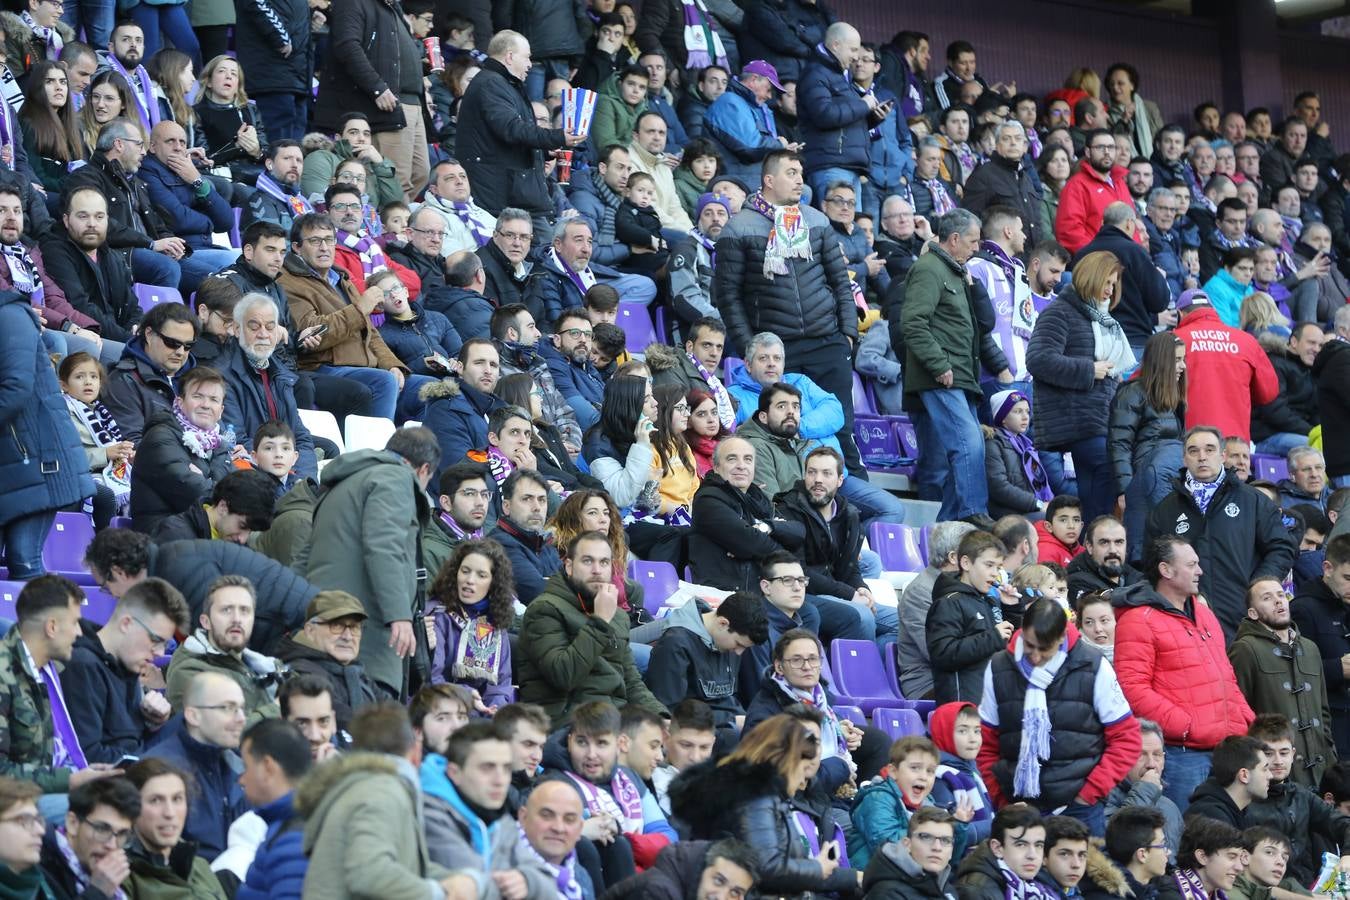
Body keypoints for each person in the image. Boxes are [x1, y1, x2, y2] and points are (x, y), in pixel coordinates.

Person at [715, 149, 857, 435]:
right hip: (778, 350)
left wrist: (848, 334)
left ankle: (851, 479)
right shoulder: (738, 227)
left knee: (842, 431)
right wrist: (751, 347)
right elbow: (727, 296)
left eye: (801, 174)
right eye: (791, 173)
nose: (800, 182)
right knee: (783, 433)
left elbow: (841, 281)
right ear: (769, 180)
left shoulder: (817, 220)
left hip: (828, 344)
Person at [1113, 536, 1255, 813]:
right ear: (1166, 571)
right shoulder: (1137, 620)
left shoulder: (1204, 613)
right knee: (1189, 838)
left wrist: (1246, 719)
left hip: (1227, 749)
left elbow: (1226, 676)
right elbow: (1132, 688)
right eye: (1191, 565)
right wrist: (1188, 726)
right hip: (1183, 755)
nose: (1200, 571)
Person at [977, 596, 1140, 835]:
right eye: (1029, 645)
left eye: (1044, 649)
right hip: (1018, 808)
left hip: (1080, 809)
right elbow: (985, 742)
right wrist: (1000, 799)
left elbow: (1127, 738)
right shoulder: (999, 667)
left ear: (1062, 637)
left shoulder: (1093, 666)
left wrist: (1089, 793)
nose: (1034, 656)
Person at [298, 427, 437, 698]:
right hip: (368, 643)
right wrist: (399, 615)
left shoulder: (344, 482)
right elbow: (385, 545)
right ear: (423, 470)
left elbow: (305, 554)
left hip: (322, 629)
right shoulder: (396, 477)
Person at [672, 713, 864, 896]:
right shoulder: (754, 796)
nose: (803, 781)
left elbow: (791, 866)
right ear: (785, 761)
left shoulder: (770, 794)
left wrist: (851, 877)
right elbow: (768, 868)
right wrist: (818, 868)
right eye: (802, 768)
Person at [296, 702, 468, 899]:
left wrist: (463, 880)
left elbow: (410, 867)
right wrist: (437, 893)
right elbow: (368, 873)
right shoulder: (380, 791)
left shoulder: (367, 785)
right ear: (415, 752)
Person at [1145, 426, 1296, 640]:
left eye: (1209, 449)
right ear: (1184, 458)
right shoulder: (1164, 511)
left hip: (1246, 618)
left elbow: (1282, 548)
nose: (1202, 457)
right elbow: (1151, 566)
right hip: (1187, 621)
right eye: (1193, 451)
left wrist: (1257, 587)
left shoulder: (1252, 500)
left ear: (1223, 456)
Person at [515, 530, 668, 726]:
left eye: (604, 562)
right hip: (569, 723)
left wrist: (660, 717)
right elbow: (563, 675)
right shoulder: (544, 610)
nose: (597, 570)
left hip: (614, 718)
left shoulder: (616, 614)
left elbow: (631, 680)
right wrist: (600, 621)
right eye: (588, 561)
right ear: (569, 566)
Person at [1027, 250, 1132, 522]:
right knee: (1107, 476)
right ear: (1091, 277)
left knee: (1094, 497)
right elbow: (1038, 359)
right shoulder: (1060, 312)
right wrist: (1090, 369)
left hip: (1098, 419)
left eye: (1113, 283)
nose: (1109, 289)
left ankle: (1087, 550)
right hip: (1077, 421)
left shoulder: (1101, 318)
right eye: (1106, 282)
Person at [456, 30, 581, 224]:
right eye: (527, 58)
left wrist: (545, 152)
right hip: (498, 194)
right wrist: (557, 136)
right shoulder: (491, 83)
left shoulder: (503, 84)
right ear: (509, 56)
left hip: (511, 192)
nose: (530, 64)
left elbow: (507, 137)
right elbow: (511, 129)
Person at [419, 721, 555, 895]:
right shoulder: (431, 815)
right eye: (487, 768)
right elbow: (473, 888)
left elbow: (550, 886)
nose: (500, 781)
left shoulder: (499, 818)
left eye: (506, 769)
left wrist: (527, 881)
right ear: (455, 773)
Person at [60, 578, 187, 763]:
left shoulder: (129, 660)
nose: (160, 652)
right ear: (126, 623)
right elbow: (88, 756)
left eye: (165, 644)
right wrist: (155, 763)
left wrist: (154, 723)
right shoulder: (83, 665)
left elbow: (132, 740)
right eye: (155, 639)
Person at [1229, 578, 1335, 790]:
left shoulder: (1310, 648)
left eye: (1280, 595)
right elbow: (1237, 714)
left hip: (1320, 771)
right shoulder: (1245, 649)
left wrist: (1330, 755)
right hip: (1273, 774)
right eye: (1267, 598)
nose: (1278, 601)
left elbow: (1323, 712)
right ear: (1253, 613)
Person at [142, 671, 247, 861]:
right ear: (193, 715)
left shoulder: (239, 762)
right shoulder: (159, 770)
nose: (241, 718)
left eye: (241, 708)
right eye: (227, 708)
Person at [128, 366, 238, 535]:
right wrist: (219, 489)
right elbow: (195, 493)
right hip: (162, 539)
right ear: (180, 402)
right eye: (197, 396)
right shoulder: (160, 437)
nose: (206, 405)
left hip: (203, 535)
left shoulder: (219, 446)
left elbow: (240, 492)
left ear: (221, 411)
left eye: (214, 400)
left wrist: (206, 481)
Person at [1108, 331, 1187, 555]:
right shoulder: (1132, 394)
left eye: (1184, 359)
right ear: (1162, 361)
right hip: (1142, 488)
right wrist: (1125, 491)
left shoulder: (1173, 400)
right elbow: (1119, 445)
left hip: (1167, 484)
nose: (1182, 366)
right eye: (1177, 360)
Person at [646, 591, 765, 738]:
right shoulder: (675, 644)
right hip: (693, 732)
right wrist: (730, 720)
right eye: (738, 644)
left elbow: (728, 699)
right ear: (722, 623)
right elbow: (670, 710)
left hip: (727, 724)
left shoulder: (727, 641)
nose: (739, 652)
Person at [136, 120, 238, 290]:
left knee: (255, 263)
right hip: (185, 253)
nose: (178, 147)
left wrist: (198, 181)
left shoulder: (190, 172)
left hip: (207, 248)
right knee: (236, 271)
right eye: (170, 141)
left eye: (182, 142)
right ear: (152, 147)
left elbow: (226, 222)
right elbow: (177, 219)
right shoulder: (147, 172)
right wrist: (208, 222)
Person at [163, 576, 283, 718]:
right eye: (226, 610)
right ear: (205, 622)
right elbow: (226, 733)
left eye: (244, 610)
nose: (237, 619)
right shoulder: (189, 672)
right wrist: (278, 707)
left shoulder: (267, 666)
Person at [39, 186, 142, 350]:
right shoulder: (54, 252)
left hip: (117, 337)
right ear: (66, 220)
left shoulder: (111, 255)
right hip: (86, 337)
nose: (92, 224)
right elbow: (80, 305)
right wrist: (127, 339)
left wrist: (136, 326)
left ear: (107, 220)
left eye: (99, 216)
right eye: (83, 216)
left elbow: (131, 305)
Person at [1172, 290, 1278, 443]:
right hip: (1236, 444)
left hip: (1192, 446)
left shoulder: (1174, 339)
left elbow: (1145, 385)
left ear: (1180, 314)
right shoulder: (1246, 341)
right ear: (1213, 311)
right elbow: (1269, 392)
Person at [425, 539, 515, 712]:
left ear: (493, 583)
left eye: (481, 575)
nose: (469, 580)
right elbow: (432, 679)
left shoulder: (496, 621)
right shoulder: (436, 614)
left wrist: (496, 710)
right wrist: (467, 696)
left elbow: (501, 684)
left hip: (480, 712)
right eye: (465, 571)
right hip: (440, 707)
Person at [927, 530, 1015, 705]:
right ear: (966, 563)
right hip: (963, 707)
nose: (995, 574)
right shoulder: (949, 603)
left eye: (998, 567)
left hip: (992, 702)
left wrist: (1013, 609)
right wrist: (993, 637)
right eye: (989, 565)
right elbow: (943, 653)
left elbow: (1011, 645)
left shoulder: (990, 601)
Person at [273, 592, 378, 738]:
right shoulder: (301, 672)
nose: (347, 637)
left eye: (354, 627)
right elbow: (346, 722)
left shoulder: (356, 672)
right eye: (336, 626)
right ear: (310, 630)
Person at [122, 758, 227, 898]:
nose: (169, 813)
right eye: (155, 800)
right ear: (131, 808)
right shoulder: (122, 876)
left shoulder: (200, 865)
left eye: (177, 799)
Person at [232, 719, 311, 900]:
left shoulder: (293, 841)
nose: (241, 779)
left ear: (268, 767)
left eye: (246, 767)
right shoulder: (289, 825)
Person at [1291, 535, 1350, 757]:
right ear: (1327, 568)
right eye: (1348, 578)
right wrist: (1337, 668)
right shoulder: (1303, 610)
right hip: (1329, 724)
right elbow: (1292, 673)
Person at [37, 776, 141, 900]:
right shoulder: (37, 867)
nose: (112, 845)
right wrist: (98, 892)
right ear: (73, 823)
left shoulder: (116, 876)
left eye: (122, 834)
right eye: (102, 829)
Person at [1105, 722, 1184, 858]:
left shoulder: (1170, 807)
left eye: (1157, 754)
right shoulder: (1102, 797)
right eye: (1141, 755)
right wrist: (1146, 790)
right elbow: (1114, 845)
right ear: (1121, 757)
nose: (1151, 764)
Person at [1057, 130, 1134, 255]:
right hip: (1098, 265)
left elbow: (1132, 225)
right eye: (1100, 147)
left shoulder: (1120, 183)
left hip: (1127, 259)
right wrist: (1100, 258)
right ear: (1088, 152)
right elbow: (1070, 233)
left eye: (1111, 147)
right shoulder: (1076, 185)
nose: (1107, 152)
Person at [150, 468, 277, 544]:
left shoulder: (235, 542)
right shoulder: (174, 535)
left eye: (250, 532)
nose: (242, 539)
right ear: (223, 506)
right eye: (242, 526)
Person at [861, 805, 961, 900]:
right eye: (926, 837)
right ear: (907, 844)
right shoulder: (887, 893)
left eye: (946, 840)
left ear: (951, 851)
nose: (937, 847)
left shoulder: (948, 890)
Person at [517, 778, 594, 899]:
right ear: (523, 818)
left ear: (579, 829)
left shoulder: (580, 876)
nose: (558, 828)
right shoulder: (502, 868)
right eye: (546, 815)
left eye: (569, 819)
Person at [952, 805, 1049, 900]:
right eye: (1021, 845)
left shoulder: (1033, 887)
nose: (1032, 855)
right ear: (997, 848)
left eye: (1038, 845)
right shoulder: (975, 892)